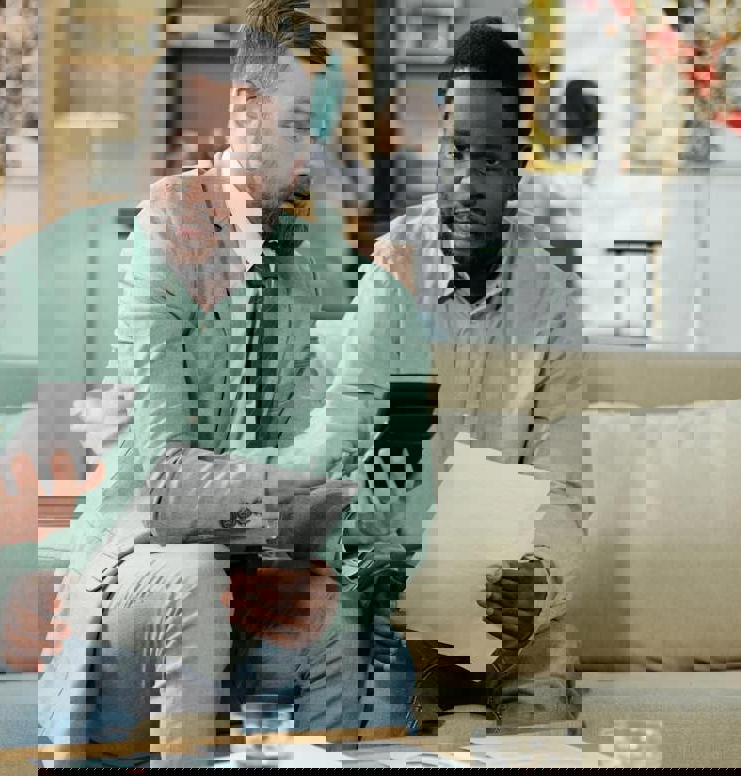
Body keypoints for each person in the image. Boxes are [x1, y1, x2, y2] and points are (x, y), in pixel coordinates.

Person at [37, 1, 432, 766]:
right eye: (299, 127)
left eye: (325, 136)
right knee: (193, 577)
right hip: (135, 557)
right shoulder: (174, 221)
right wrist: (282, 513)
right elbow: (165, 478)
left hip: (238, 557)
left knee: (329, 614)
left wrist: (380, 321)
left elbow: (327, 455)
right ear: (244, 106)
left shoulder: (308, 256)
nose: (312, 158)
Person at [366, 18, 586, 730]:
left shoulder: (549, 297)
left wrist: (527, 585)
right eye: (457, 152)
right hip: (404, 596)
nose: (466, 183)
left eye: (489, 161)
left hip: (507, 602)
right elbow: (367, 462)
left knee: (546, 701)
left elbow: (564, 486)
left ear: (518, 169)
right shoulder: (394, 266)